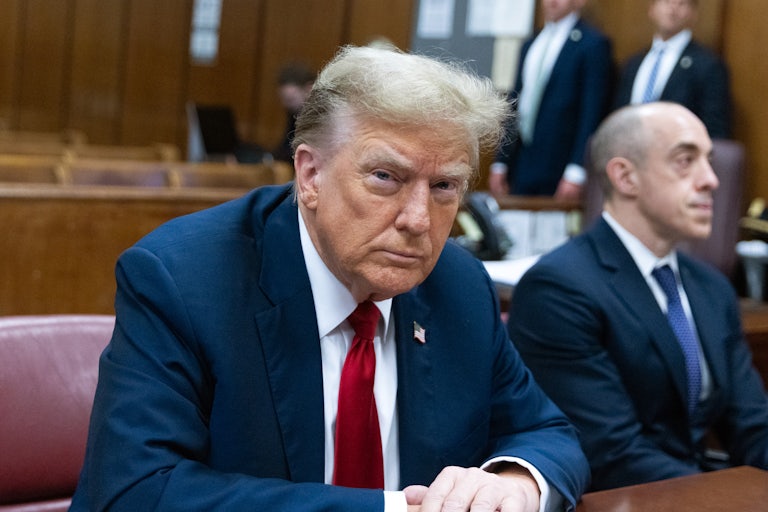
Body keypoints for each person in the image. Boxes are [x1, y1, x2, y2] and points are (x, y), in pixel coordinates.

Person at [70, 45, 589, 511]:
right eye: (385, 177)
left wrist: (516, 480)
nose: (418, 219)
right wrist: (388, 510)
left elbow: (546, 432)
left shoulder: (459, 285)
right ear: (310, 175)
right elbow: (138, 490)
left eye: (445, 186)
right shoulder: (183, 279)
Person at [507, 102, 768, 491]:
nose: (711, 179)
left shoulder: (711, 286)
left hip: (692, 489)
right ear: (625, 177)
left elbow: (752, 424)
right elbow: (612, 454)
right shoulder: (560, 288)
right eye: (686, 160)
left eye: (709, 161)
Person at [489, 0, 613, 200]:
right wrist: (501, 162)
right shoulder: (531, 43)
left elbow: (592, 113)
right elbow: (515, 105)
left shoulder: (592, 44)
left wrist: (577, 171)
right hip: (522, 162)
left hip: (561, 165)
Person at [613, 0, 732, 139]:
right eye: (666, 1)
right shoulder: (633, 63)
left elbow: (714, 129)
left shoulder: (708, 66)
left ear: (693, 14)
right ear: (651, 9)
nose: (673, 8)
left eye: (682, 3)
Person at [272, 61, 315, 163]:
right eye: (284, 99)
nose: (285, 104)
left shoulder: (321, 116)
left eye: (290, 99)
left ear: (309, 89)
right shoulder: (294, 111)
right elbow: (287, 142)